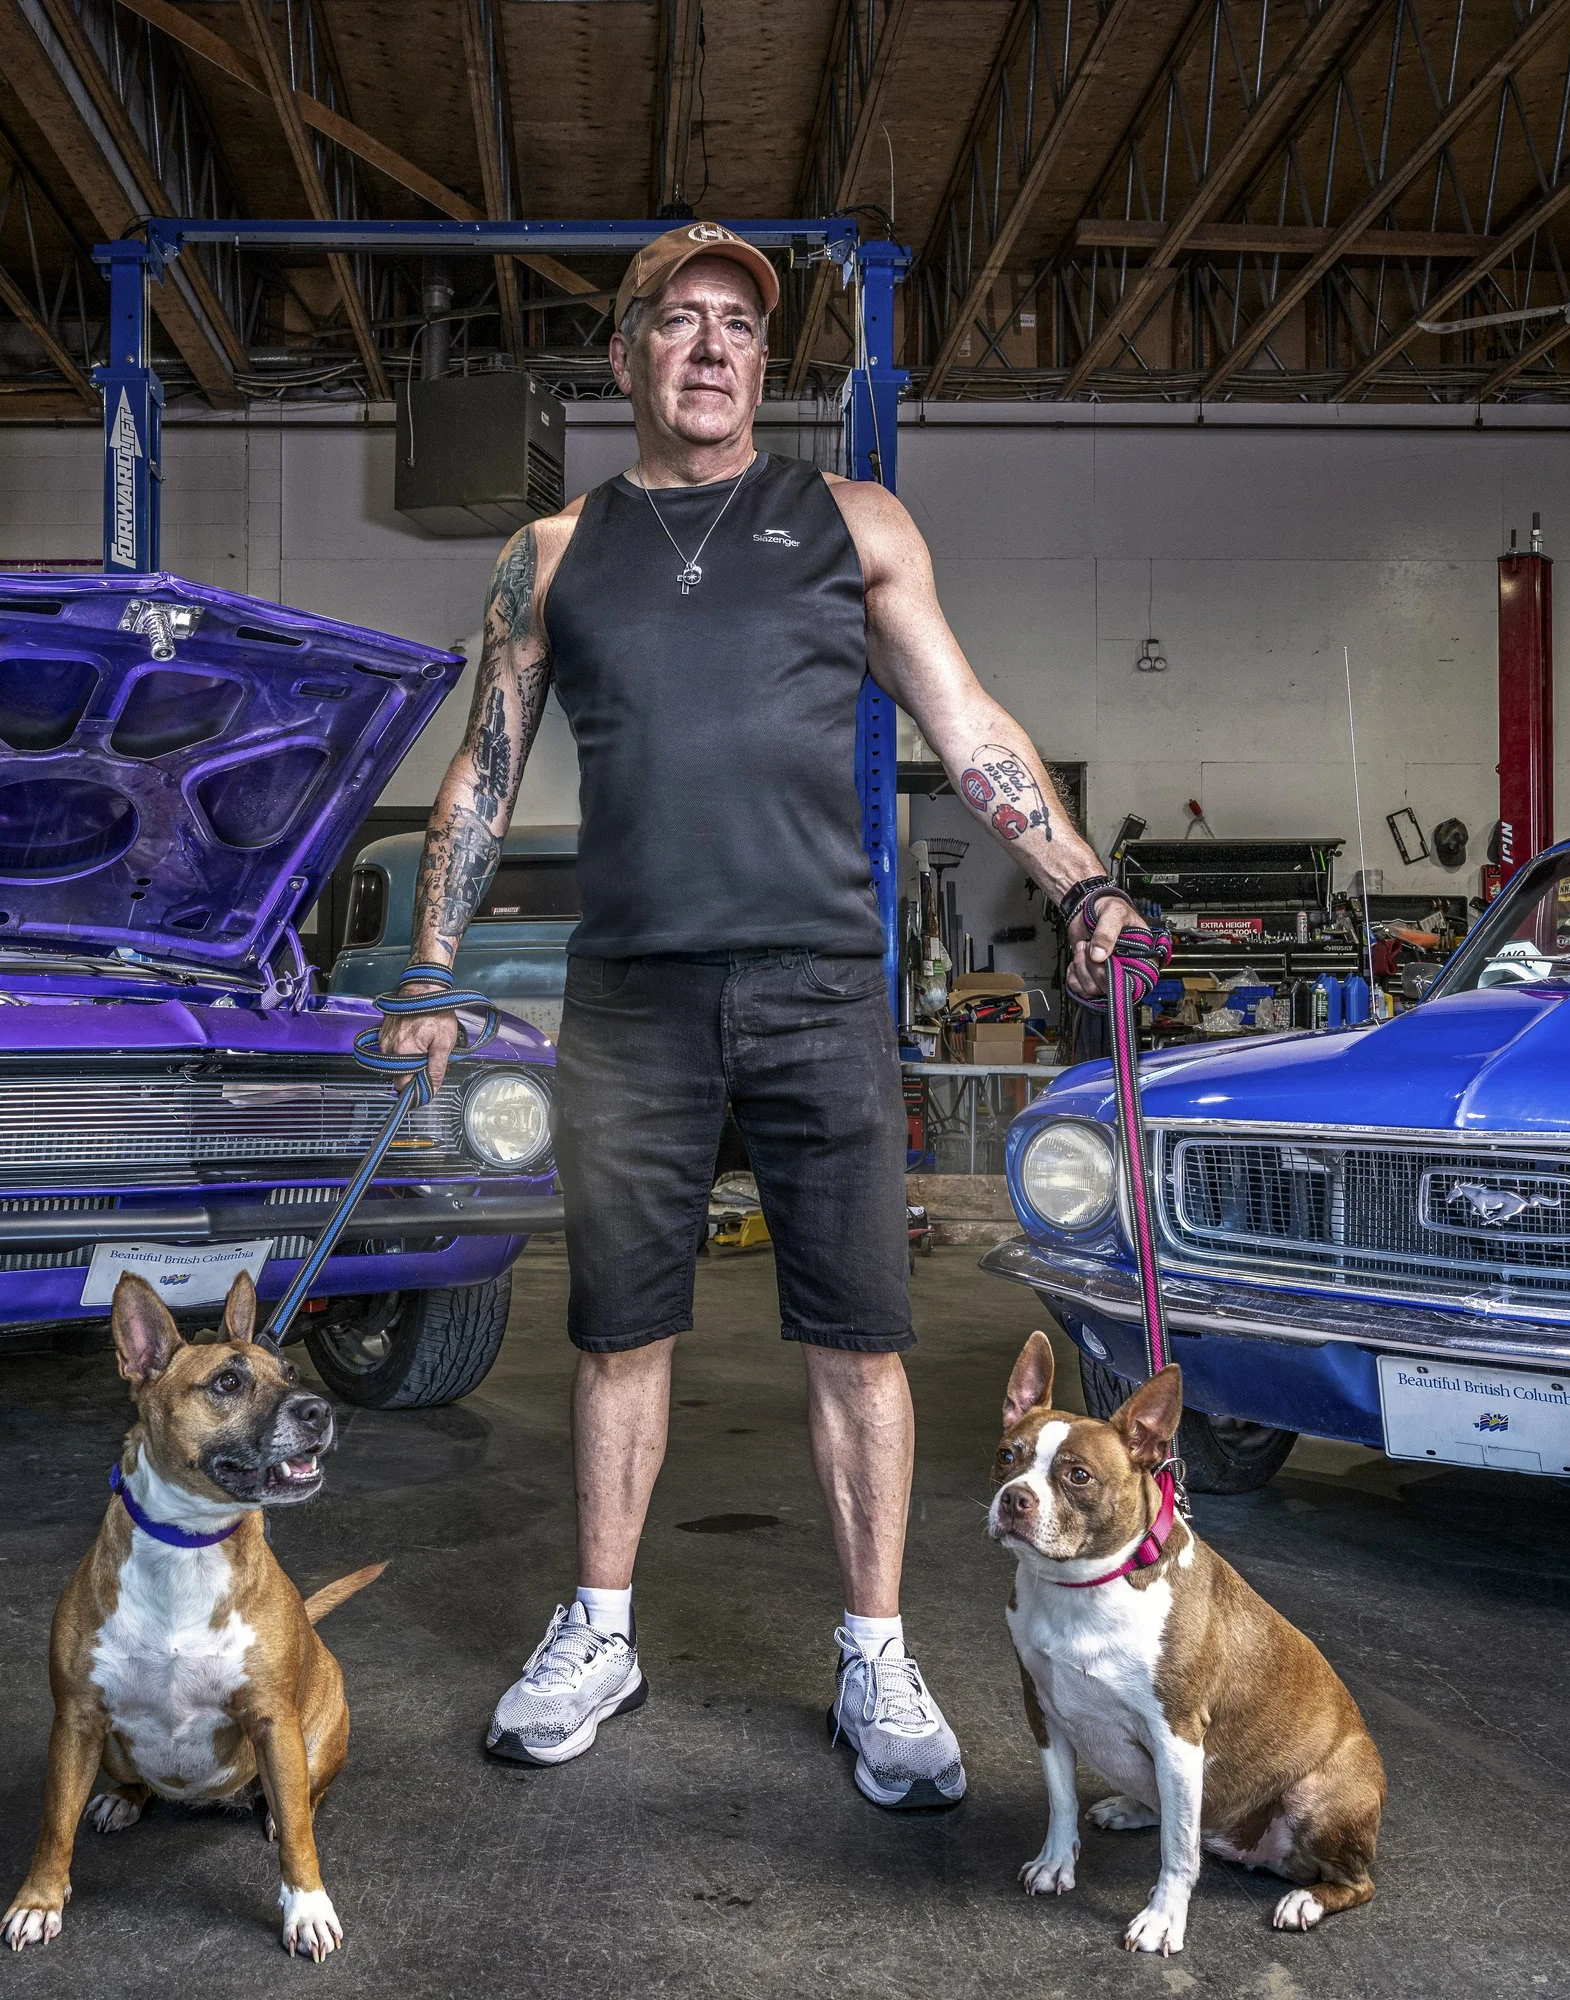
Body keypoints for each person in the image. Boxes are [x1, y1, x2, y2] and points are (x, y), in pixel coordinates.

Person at [384, 221, 1142, 1809]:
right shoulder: (549, 551)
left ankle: (874, 1651)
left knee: (863, 1337)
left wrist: (1082, 885)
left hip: (813, 987)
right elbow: (485, 763)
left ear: (761, 360)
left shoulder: (849, 523)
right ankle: (601, 1630)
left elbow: (968, 721)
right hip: (634, 995)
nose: (715, 345)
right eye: (681, 320)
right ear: (628, 356)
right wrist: (433, 968)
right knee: (614, 1333)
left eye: (739, 323)